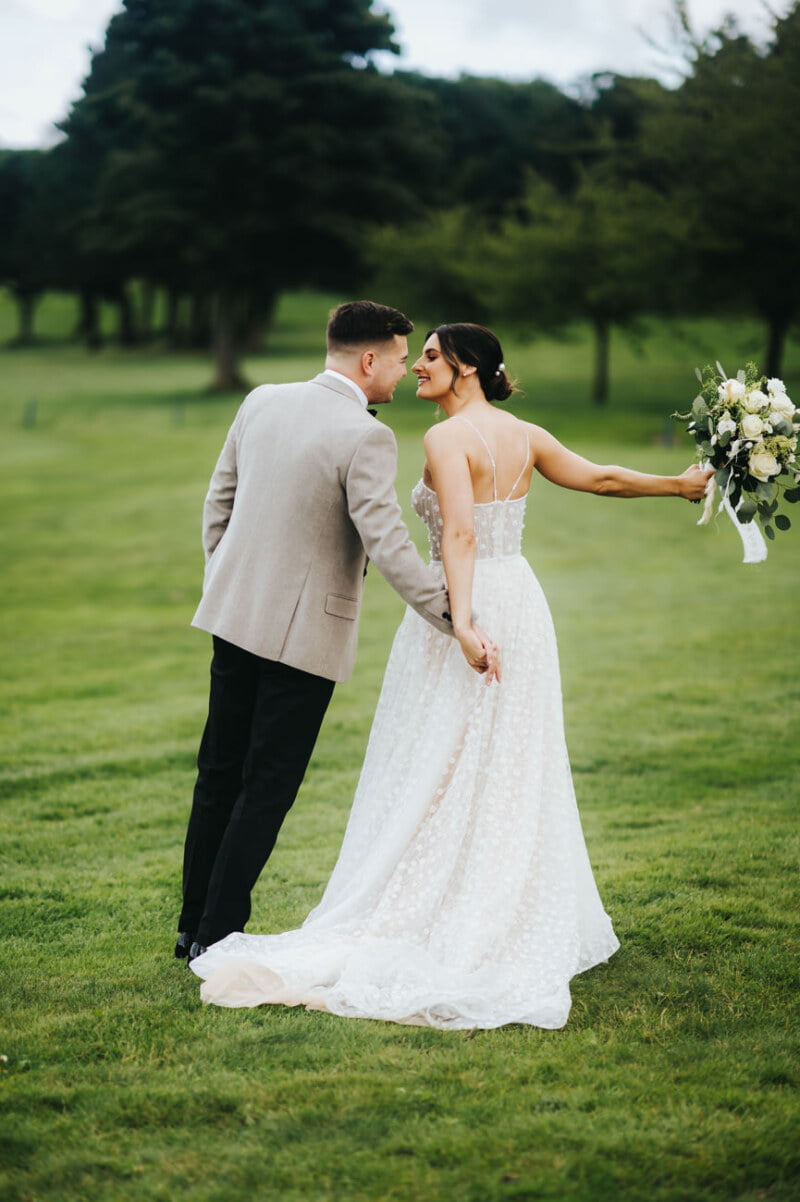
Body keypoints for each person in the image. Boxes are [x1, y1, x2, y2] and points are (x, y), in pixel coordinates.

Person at [190, 322, 712, 1030]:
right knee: (500, 761)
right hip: (520, 604)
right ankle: (492, 904)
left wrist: (460, 620)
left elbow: (458, 535)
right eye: (413, 357)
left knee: (434, 756)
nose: (415, 370)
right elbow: (603, 478)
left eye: (429, 357)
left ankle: (435, 908)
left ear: (467, 367)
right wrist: (677, 485)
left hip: (463, 605)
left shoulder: (444, 439)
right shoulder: (524, 433)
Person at [176, 303, 498, 965]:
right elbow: (388, 545)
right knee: (266, 786)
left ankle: (191, 929)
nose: (406, 370)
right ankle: (217, 934)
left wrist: (227, 582)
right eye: (403, 358)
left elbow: (219, 503)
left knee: (218, 776)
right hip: (301, 642)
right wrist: (453, 618)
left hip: (231, 621)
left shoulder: (261, 400)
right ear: (370, 360)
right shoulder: (366, 436)